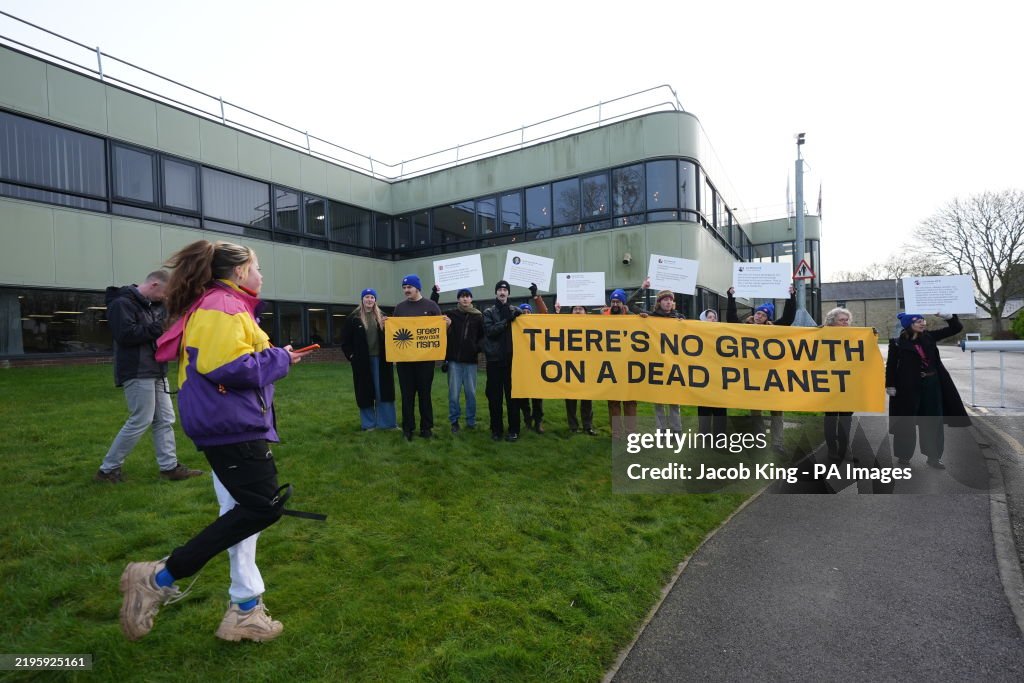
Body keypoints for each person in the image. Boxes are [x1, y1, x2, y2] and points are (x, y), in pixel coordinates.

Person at [118, 240, 315, 643]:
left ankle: (244, 609)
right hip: (231, 426)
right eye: (258, 268)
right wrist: (279, 360)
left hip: (225, 423)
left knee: (239, 513)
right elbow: (227, 366)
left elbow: (231, 356)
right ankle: (158, 577)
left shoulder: (224, 304)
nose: (261, 275)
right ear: (240, 271)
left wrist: (276, 355)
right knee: (261, 508)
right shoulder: (223, 305)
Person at [95, 270, 203, 483]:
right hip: (137, 371)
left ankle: (169, 468)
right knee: (141, 419)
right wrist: (162, 327)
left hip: (156, 369)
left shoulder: (152, 305)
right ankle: (107, 470)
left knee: (165, 419)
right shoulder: (121, 303)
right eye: (165, 293)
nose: (166, 298)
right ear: (154, 285)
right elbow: (125, 336)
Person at [885, 312, 970, 468]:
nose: (923, 323)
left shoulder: (929, 337)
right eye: (918, 321)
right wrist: (890, 384)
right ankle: (904, 456)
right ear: (909, 324)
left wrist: (949, 317)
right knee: (906, 421)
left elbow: (956, 328)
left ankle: (934, 457)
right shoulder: (897, 343)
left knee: (932, 421)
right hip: (907, 387)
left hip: (931, 384)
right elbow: (891, 365)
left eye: (923, 320)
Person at [727, 285, 796, 451]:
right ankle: (760, 441)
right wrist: (730, 297)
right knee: (756, 411)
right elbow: (731, 318)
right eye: (758, 313)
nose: (759, 316)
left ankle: (777, 443)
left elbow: (788, 318)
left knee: (777, 411)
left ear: (767, 318)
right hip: (753, 377)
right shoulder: (744, 328)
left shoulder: (773, 329)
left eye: (763, 315)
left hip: (772, 376)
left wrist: (791, 297)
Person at [393, 274, 445, 441]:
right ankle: (407, 429)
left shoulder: (431, 306)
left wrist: (447, 324)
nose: (406, 290)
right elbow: (394, 332)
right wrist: (387, 324)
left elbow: (439, 330)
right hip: (404, 362)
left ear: (417, 288)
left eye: (409, 287)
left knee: (425, 395)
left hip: (425, 361)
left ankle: (426, 428)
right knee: (407, 396)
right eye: (404, 288)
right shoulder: (399, 308)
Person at [341, 288, 396, 431]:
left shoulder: (383, 317)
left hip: (382, 360)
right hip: (362, 361)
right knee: (365, 391)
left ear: (375, 300)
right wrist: (352, 356)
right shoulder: (353, 318)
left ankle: (387, 423)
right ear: (362, 299)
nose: (369, 300)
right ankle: (369, 424)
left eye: (372, 297)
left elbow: (392, 337)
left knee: (383, 391)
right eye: (367, 297)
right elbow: (345, 341)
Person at [431, 285, 484, 433]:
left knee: (471, 393)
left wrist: (476, 348)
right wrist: (435, 294)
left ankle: (471, 421)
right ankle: (454, 421)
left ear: (471, 299)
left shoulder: (478, 316)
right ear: (458, 299)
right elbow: (433, 313)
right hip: (454, 361)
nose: (465, 299)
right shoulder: (451, 314)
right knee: (453, 394)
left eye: (467, 296)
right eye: (462, 296)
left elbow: (483, 337)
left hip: (471, 362)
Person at [482, 279, 524, 442]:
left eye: (505, 290)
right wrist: (507, 321)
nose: (502, 292)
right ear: (496, 292)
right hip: (494, 361)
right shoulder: (488, 312)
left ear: (508, 293)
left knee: (513, 398)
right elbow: (490, 331)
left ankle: (514, 430)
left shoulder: (516, 311)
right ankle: (496, 429)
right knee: (495, 398)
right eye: (499, 289)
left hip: (513, 361)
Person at [555, 301, 597, 435]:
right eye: (575, 309)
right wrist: (557, 313)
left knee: (587, 399)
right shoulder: (565, 324)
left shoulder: (593, 324)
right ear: (571, 312)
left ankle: (587, 426)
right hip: (570, 366)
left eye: (580, 309)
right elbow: (553, 328)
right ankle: (573, 426)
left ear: (586, 312)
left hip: (587, 366)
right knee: (570, 399)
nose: (578, 311)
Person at [602, 288, 639, 438]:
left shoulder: (632, 318)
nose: (615, 304)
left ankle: (631, 432)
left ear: (623, 303)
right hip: (611, 365)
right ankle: (616, 433)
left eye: (618, 302)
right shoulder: (603, 317)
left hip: (629, 365)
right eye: (613, 301)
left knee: (630, 400)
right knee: (613, 401)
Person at [823, 307, 856, 462]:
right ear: (832, 322)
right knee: (831, 417)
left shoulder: (855, 336)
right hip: (829, 383)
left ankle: (845, 450)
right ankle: (832, 450)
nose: (845, 323)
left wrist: (871, 335)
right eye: (841, 320)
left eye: (847, 320)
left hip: (848, 383)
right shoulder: (822, 335)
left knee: (846, 418)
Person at [515, 286, 550, 433]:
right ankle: (527, 419)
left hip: (536, 365)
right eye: (523, 312)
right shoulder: (515, 325)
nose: (526, 314)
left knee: (537, 396)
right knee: (523, 396)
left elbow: (544, 314)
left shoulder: (537, 323)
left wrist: (536, 296)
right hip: (522, 365)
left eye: (528, 311)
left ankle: (538, 421)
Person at [649, 289, 684, 433]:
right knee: (659, 400)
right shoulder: (652, 317)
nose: (668, 302)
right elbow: (631, 305)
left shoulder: (679, 317)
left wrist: (683, 324)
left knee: (674, 400)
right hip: (657, 363)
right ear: (659, 302)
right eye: (665, 299)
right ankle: (661, 429)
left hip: (673, 363)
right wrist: (643, 288)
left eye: (670, 300)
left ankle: (676, 429)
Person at [696, 307, 728, 439]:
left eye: (714, 317)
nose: (713, 319)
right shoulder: (697, 333)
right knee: (704, 406)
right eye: (709, 317)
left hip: (719, 375)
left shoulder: (722, 333)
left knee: (720, 405)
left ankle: (720, 434)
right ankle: (704, 433)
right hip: (703, 375)